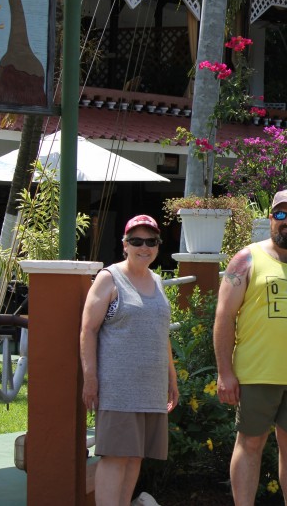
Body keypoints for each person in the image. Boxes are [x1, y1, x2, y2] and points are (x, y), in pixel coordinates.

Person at [214, 188, 287, 506]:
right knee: (250, 444)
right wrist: (225, 372)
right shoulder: (247, 258)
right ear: (270, 219)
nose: (286, 221)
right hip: (255, 375)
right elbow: (223, 318)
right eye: (280, 214)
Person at [80, 215, 179, 506]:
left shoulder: (158, 281)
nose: (144, 247)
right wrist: (90, 379)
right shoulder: (109, 278)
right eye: (136, 241)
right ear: (125, 244)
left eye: (151, 241)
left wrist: (172, 379)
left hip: (150, 388)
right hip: (118, 388)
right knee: (114, 456)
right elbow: (88, 329)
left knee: (136, 455)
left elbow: (162, 334)